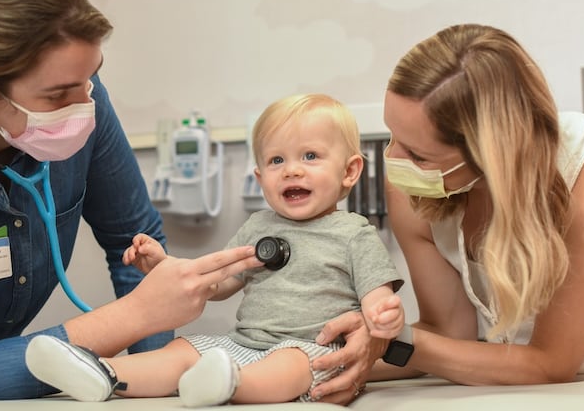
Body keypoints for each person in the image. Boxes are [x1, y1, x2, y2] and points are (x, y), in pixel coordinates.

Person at [0, 0, 263, 400]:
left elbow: (133, 243)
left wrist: (156, 386)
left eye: (90, 78)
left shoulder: (84, 101)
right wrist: (137, 314)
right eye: (57, 96)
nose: (83, 109)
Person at [359, 23, 584, 385]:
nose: (394, 160)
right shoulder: (413, 189)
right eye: (393, 135)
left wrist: (392, 344)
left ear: (490, 154)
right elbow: (447, 333)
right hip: (520, 371)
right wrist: (345, 359)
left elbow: (550, 363)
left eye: (418, 155)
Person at [24, 93, 405, 406]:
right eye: (277, 160)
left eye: (310, 156)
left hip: (313, 349)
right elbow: (217, 283)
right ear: (260, 178)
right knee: (183, 351)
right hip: (243, 342)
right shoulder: (258, 226)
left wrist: (382, 314)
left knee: (289, 366)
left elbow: (377, 296)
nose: (291, 170)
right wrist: (164, 266)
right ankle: (101, 371)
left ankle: (229, 384)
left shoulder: (353, 233)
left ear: (349, 171)